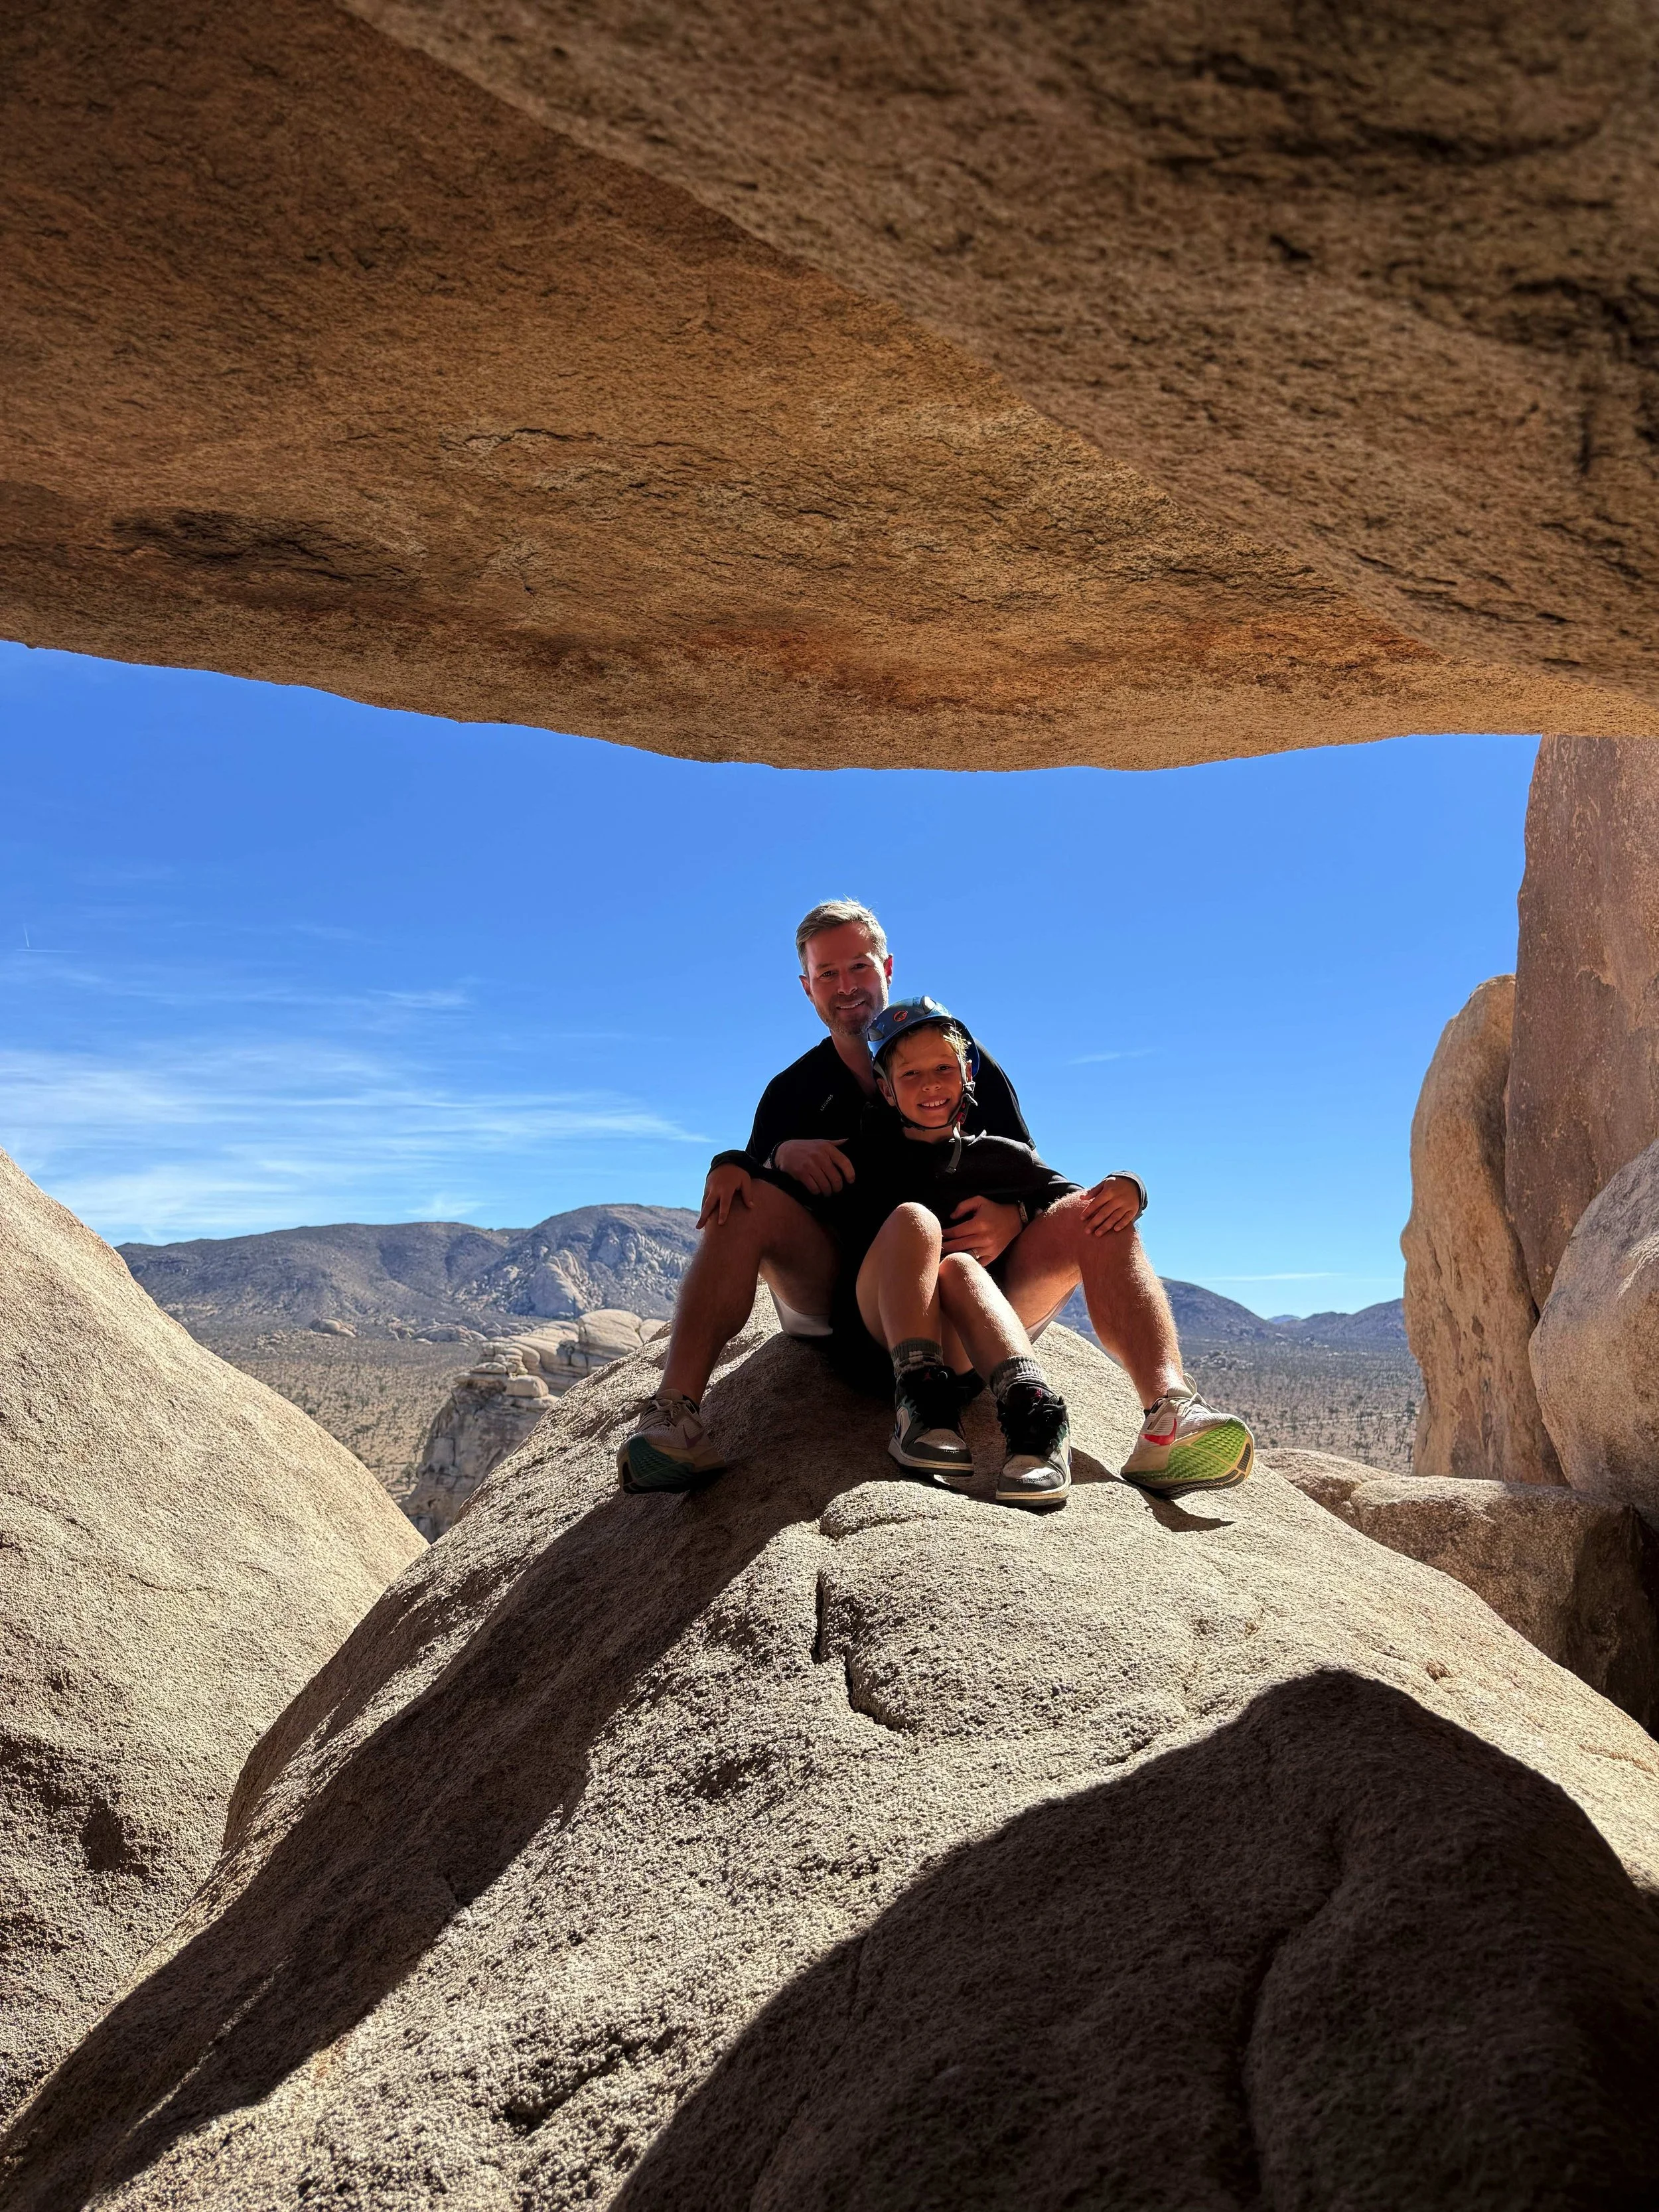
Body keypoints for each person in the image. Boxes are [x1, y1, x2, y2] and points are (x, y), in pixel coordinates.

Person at [618, 898, 1252, 1497]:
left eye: (860, 966)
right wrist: (760, 1158)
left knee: (1099, 1219)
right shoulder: (796, 1093)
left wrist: (1024, 1214)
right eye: (828, 972)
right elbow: (756, 1178)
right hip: (853, 1300)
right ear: (807, 986)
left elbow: (1035, 1177)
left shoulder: (974, 1064)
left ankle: (1169, 1412)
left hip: (975, 1294)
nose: (847, 985)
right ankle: (676, 1414)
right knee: (763, 1203)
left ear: (887, 967)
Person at [823, 997, 1078, 1508]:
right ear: (886, 1088)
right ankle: (919, 1404)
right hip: (876, 1340)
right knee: (916, 1220)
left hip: (959, 1360)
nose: (930, 1084)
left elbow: (1076, 1201)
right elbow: (777, 1188)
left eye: (943, 1067)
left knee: (960, 1266)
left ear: (967, 1073)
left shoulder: (999, 1157)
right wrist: (744, 1160)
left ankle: (1034, 1417)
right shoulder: (859, 1153)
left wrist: (1131, 1186)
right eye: (910, 1073)